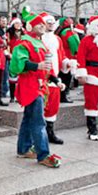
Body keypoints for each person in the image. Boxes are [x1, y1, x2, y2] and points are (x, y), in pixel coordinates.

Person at [9, 12, 61, 168]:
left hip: (40, 86)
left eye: (43, 24)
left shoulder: (41, 43)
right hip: (30, 86)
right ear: (30, 26)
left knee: (29, 118)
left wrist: (56, 80)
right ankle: (43, 154)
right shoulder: (23, 43)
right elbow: (17, 64)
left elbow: (47, 66)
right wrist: (36, 66)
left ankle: (23, 148)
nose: (42, 26)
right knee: (39, 122)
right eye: (39, 24)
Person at [41, 12, 70, 145]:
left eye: (53, 22)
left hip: (55, 77)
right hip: (41, 78)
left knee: (53, 106)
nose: (51, 24)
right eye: (48, 22)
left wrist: (67, 63)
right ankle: (39, 134)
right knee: (40, 107)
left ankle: (50, 132)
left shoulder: (57, 39)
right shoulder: (39, 39)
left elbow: (62, 55)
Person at [56, 17, 80, 103]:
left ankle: (60, 95)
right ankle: (63, 96)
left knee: (61, 77)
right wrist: (76, 55)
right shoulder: (69, 32)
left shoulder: (59, 32)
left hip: (62, 56)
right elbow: (74, 45)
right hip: (69, 57)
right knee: (67, 77)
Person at [7, 16, 23, 103]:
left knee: (21, 78)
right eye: (17, 23)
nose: (18, 25)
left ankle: (19, 96)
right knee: (12, 78)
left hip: (22, 58)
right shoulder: (9, 33)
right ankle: (12, 96)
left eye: (19, 23)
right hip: (13, 57)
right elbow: (7, 45)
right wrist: (9, 54)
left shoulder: (23, 34)